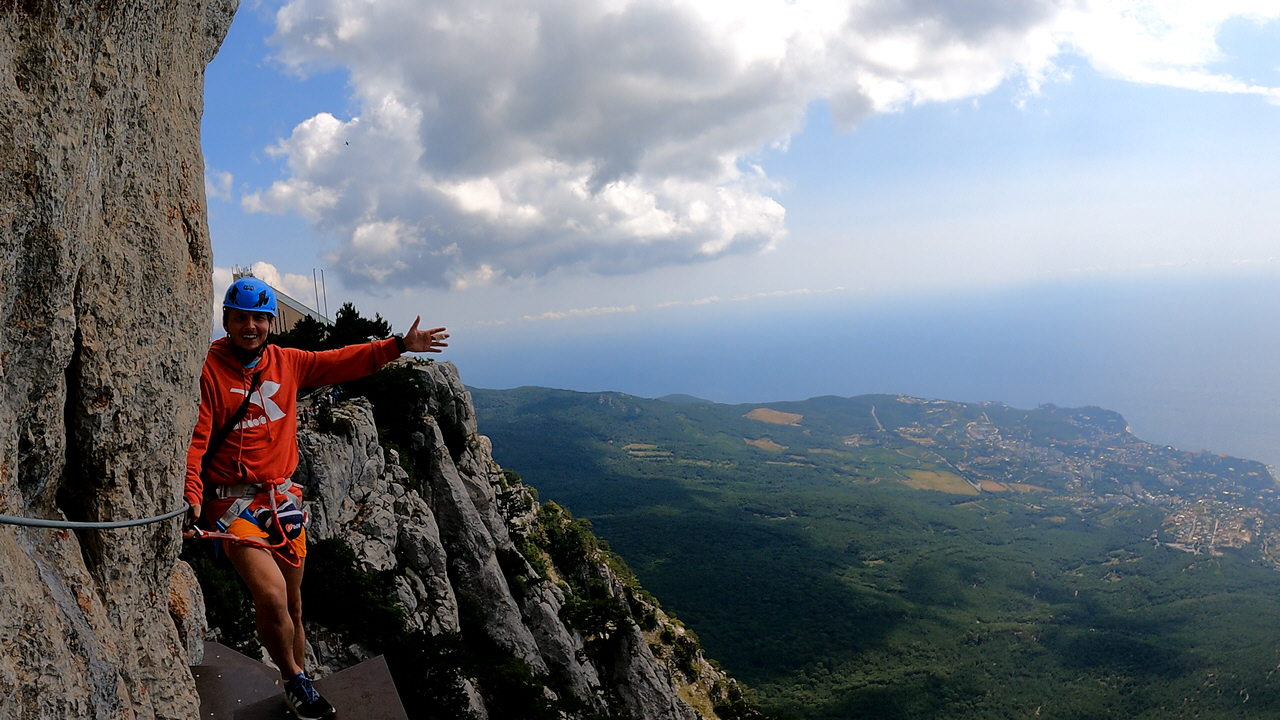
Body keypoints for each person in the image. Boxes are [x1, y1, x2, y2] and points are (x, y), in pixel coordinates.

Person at [183, 278, 448, 720]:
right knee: (270, 597)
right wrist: (193, 493)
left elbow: (342, 361)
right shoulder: (210, 368)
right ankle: (292, 678)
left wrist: (399, 345)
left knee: (295, 604)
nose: (250, 327)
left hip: (281, 499)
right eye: (241, 317)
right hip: (232, 502)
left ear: (271, 323)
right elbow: (197, 436)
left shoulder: (289, 363)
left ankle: (298, 680)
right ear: (226, 319)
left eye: (259, 319)